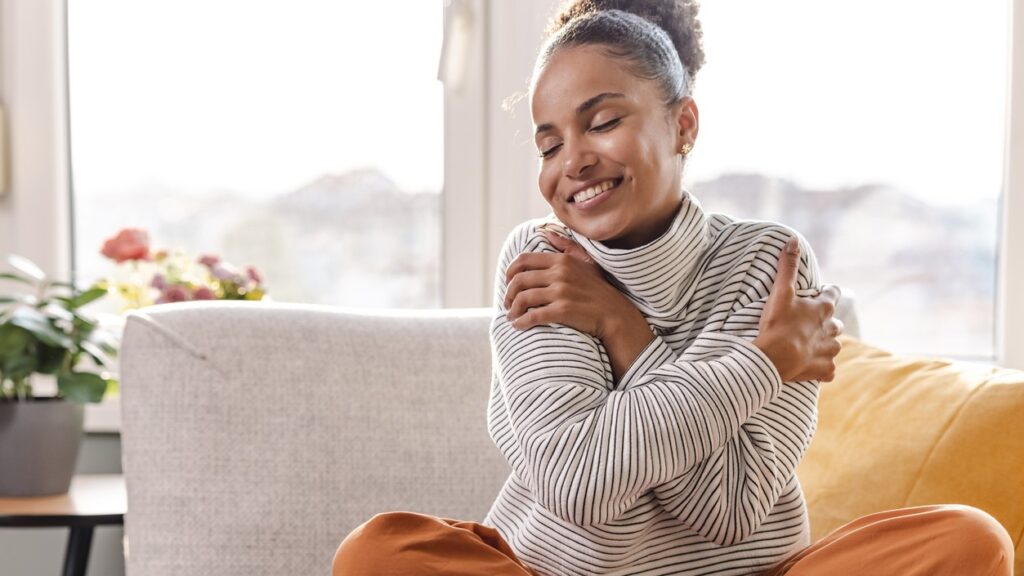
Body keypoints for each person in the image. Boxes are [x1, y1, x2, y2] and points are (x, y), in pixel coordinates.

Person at [333, 1, 1015, 574]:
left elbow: (730, 510)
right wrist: (763, 364)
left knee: (968, 539)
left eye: (602, 122)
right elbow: (578, 486)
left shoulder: (766, 262)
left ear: (682, 124)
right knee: (381, 553)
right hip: (557, 570)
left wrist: (621, 327)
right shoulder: (544, 256)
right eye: (548, 143)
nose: (572, 160)